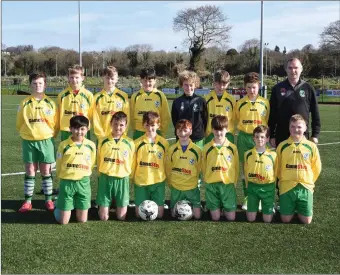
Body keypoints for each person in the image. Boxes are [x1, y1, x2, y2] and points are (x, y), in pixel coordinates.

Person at [16, 72, 58, 212]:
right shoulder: (24, 103)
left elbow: (55, 124)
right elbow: (19, 123)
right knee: (30, 170)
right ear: (30, 85)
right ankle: (28, 201)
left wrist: (48, 135)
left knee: (46, 170)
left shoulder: (51, 103)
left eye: (40, 83)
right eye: (34, 83)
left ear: (45, 85)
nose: (37, 85)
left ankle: (48, 200)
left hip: (46, 140)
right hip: (29, 141)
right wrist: (28, 133)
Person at [276, 114, 321, 224]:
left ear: (305, 128)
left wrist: (308, 179)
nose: (296, 129)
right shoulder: (282, 146)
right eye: (293, 126)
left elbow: (317, 167)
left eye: (299, 127)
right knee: (285, 220)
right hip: (287, 186)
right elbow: (277, 167)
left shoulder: (311, 146)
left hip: (305, 186)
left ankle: (298, 206)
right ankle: (290, 206)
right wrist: (284, 179)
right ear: (289, 128)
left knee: (307, 221)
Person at [235, 72, 270, 211]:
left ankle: (260, 199)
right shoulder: (240, 103)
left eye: (254, 87)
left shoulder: (265, 103)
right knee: (246, 171)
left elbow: (267, 121)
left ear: (258, 87)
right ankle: (248, 198)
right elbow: (236, 119)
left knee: (260, 169)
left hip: (260, 139)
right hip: (244, 138)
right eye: (249, 87)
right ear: (245, 87)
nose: (252, 90)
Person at [268, 57, 321, 148]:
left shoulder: (308, 88)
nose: (293, 70)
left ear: (301, 69)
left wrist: (315, 134)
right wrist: (272, 135)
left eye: (296, 68)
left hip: (302, 134)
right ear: (286, 69)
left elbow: (315, 113)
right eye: (290, 68)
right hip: (282, 135)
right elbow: (272, 114)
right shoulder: (277, 88)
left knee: (302, 162)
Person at [54, 115, 96, 224]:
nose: (79, 132)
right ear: (70, 129)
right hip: (67, 182)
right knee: (63, 221)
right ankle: (59, 206)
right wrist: (63, 177)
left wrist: (84, 173)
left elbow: (92, 162)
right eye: (76, 128)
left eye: (82, 129)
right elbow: (59, 163)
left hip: (83, 183)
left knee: (82, 220)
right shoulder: (64, 145)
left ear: (87, 129)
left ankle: (72, 207)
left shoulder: (91, 145)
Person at [96, 111, 135, 221]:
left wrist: (128, 175)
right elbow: (99, 160)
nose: (118, 127)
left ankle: (116, 203)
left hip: (122, 179)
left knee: (121, 217)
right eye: (115, 124)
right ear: (110, 124)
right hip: (106, 178)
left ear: (126, 126)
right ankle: (105, 205)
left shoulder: (130, 142)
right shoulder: (102, 141)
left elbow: (132, 161)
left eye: (121, 125)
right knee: (103, 217)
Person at [132, 111, 169, 219]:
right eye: (147, 125)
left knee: (160, 215)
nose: (150, 128)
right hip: (141, 182)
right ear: (143, 125)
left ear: (158, 125)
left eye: (152, 125)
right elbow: (133, 163)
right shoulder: (137, 143)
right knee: (139, 215)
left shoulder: (164, 143)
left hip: (158, 181)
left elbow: (166, 163)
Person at [202, 115, 239, 221]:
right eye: (216, 130)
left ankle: (224, 207)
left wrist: (233, 182)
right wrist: (207, 180)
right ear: (212, 130)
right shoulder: (206, 148)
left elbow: (235, 167)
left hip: (227, 185)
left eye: (221, 130)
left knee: (231, 218)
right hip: (212, 185)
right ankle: (215, 207)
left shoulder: (232, 148)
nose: (218, 133)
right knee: (215, 218)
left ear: (227, 129)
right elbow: (204, 167)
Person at [166, 119, 202, 219]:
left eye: (185, 130)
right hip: (177, 187)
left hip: (191, 187)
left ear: (190, 131)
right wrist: (171, 183)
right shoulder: (172, 150)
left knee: (198, 216)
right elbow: (168, 169)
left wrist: (196, 181)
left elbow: (200, 168)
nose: (182, 133)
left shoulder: (197, 150)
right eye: (179, 131)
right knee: (173, 215)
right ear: (176, 132)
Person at [244, 125, 277, 223]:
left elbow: (276, 171)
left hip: (268, 188)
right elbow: (246, 171)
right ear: (253, 138)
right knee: (251, 219)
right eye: (257, 136)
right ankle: (254, 207)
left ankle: (270, 207)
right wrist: (248, 185)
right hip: (253, 187)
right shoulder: (248, 154)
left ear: (267, 139)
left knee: (267, 220)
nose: (259, 139)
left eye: (262, 137)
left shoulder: (273, 155)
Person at [130, 68, 171, 140]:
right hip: (139, 132)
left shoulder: (160, 96)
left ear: (155, 81)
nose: (147, 83)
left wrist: (162, 132)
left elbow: (165, 116)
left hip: (155, 132)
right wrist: (135, 130)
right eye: (145, 80)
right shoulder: (135, 96)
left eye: (150, 81)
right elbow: (131, 116)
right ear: (141, 80)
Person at [171, 70, 208, 150]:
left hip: (197, 138)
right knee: (182, 160)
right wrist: (181, 132)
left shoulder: (201, 101)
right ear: (181, 85)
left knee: (197, 160)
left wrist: (199, 132)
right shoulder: (177, 102)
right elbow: (175, 120)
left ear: (195, 85)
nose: (189, 88)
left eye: (191, 85)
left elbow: (205, 119)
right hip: (182, 137)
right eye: (186, 85)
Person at [93, 66, 130, 143]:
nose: (110, 81)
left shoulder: (123, 96)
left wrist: (123, 134)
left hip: (119, 137)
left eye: (112, 78)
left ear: (117, 79)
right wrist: (101, 137)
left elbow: (127, 118)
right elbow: (95, 120)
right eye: (107, 78)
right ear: (103, 78)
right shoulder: (96, 98)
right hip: (103, 138)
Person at [57, 65, 94, 141]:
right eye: (72, 77)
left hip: (83, 130)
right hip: (67, 129)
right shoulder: (62, 95)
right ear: (68, 78)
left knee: (84, 152)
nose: (74, 80)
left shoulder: (88, 95)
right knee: (67, 152)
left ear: (82, 78)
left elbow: (91, 115)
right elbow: (59, 113)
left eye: (77, 77)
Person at [204, 70, 236, 144]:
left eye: (224, 84)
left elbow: (234, 119)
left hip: (227, 134)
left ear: (228, 84)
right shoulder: (206, 99)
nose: (221, 87)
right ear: (214, 82)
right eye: (218, 83)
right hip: (211, 134)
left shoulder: (232, 100)